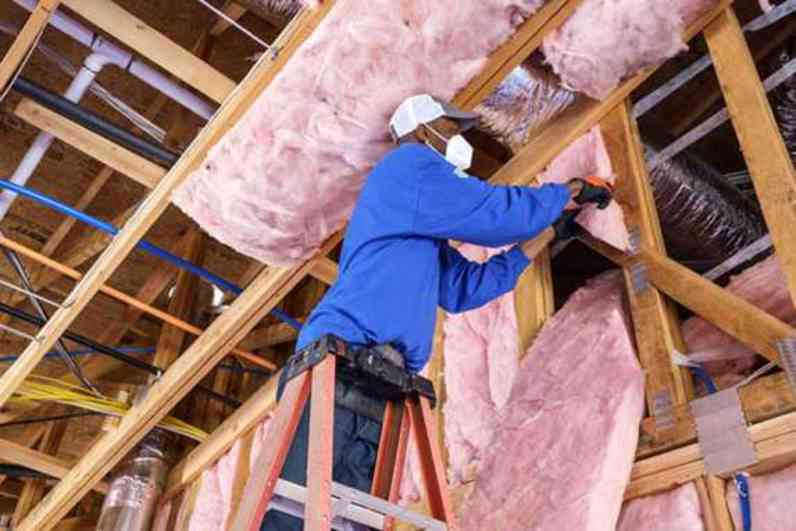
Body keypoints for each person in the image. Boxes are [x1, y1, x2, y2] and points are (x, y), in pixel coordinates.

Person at [260, 94, 612, 529]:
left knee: (345, 522)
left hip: (379, 377)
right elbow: (495, 212)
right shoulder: (407, 166)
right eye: (451, 128)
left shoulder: (419, 226)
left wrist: (544, 236)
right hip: (339, 355)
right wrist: (568, 192)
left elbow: (465, 289)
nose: (458, 141)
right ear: (420, 129)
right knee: (296, 516)